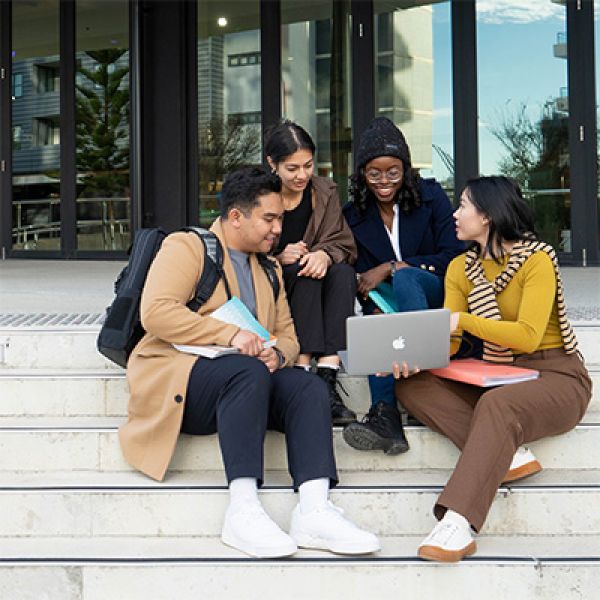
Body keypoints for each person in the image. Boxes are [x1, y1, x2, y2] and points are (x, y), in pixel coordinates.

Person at [119, 167, 379, 559]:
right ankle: (242, 509)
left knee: (308, 386)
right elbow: (154, 313)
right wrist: (230, 335)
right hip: (183, 382)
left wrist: (279, 354)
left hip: (246, 383)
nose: (278, 229)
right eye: (269, 219)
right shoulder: (188, 247)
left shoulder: (269, 267)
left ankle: (314, 509)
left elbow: (289, 335)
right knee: (247, 370)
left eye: (280, 219)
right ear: (236, 216)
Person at [392, 175, 591, 562]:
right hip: (498, 375)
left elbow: (529, 336)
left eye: (463, 205)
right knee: (411, 386)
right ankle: (508, 453)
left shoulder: (537, 260)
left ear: (487, 215)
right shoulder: (459, 269)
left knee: (498, 406)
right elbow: (449, 342)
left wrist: (464, 322)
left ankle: (457, 522)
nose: (455, 213)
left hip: (556, 376)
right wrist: (410, 354)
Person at [342, 116, 464, 454]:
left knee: (407, 276)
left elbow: (455, 255)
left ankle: (420, 375)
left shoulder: (431, 197)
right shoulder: (353, 214)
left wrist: (394, 267)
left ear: (406, 170)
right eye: (374, 173)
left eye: (393, 172)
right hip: (386, 306)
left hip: (432, 290)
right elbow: (358, 273)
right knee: (378, 320)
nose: (384, 182)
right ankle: (386, 419)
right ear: (362, 174)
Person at [265, 120, 358, 426]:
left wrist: (324, 255)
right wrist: (278, 257)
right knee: (305, 272)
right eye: (292, 168)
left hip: (314, 281)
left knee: (342, 274)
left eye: (307, 165)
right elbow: (237, 246)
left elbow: (343, 242)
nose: (302, 175)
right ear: (272, 163)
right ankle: (303, 373)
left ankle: (328, 376)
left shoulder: (324, 191)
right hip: (274, 283)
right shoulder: (258, 193)